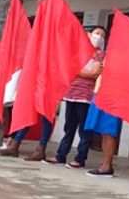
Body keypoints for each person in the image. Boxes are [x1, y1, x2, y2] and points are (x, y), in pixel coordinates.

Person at [45, 26, 106, 168]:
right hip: (71, 95)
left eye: (103, 35)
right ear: (89, 34)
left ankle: (80, 158)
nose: (100, 37)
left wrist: (76, 70)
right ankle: (61, 155)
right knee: (69, 127)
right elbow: (68, 67)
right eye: (97, 33)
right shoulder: (79, 51)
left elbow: (93, 73)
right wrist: (78, 70)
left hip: (86, 96)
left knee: (84, 130)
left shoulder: (99, 55)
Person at [84, 71, 122, 177]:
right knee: (103, 131)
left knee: (109, 130)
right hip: (102, 90)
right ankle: (105, 164)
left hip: (114, 93)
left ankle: (107, 166)